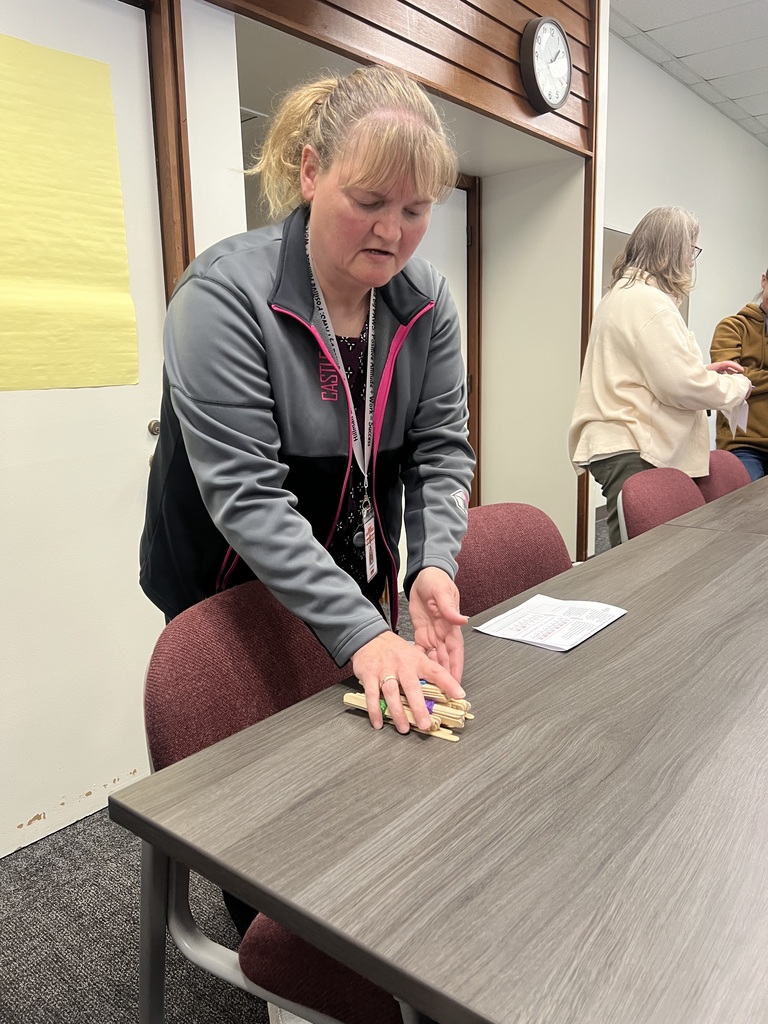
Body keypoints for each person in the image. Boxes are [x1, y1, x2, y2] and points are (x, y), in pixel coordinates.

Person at [568, 206, 751, 547]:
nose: (692, 261)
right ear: (672, 250)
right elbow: (680, 386)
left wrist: (699, 372)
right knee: (641, 560)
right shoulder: (649, 302)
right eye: (690, 249)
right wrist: (736, 388)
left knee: (641, 555)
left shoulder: (624, 294)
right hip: (633, 444)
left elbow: (652, 372)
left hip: (624, 440)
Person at [709, 266, 768, 480]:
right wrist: (745, 378)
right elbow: (731, 378)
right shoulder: (732, 327)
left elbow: (747, 376)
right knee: (746, 509)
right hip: (743, 444)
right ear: (764, 280)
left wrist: (754, 376)